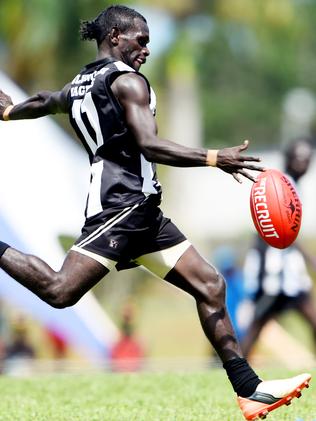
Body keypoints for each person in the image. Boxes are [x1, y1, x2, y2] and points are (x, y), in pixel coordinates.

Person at [0, 5, 311, 419]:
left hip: (144, 211)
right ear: (115, 37)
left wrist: (8, 111)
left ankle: (250, 390)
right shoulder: (129, 82)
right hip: (120, 209)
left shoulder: (80, 82)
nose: (146, 49)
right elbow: (149, 144)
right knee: (60, 291)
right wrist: (215, 157)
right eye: (140, 40)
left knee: (211, 285)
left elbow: (47, 101)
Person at [242, 137, 316, 360]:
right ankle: (235, 368)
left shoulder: (296, 186)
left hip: (291, 277)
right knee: (257, 325)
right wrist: (308, 257)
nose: (303, 163)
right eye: (298, 158)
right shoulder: (281, 187)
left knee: (312, 318)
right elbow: (275, 229)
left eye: (307, 158)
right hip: (274, 274)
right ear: (289, 159)